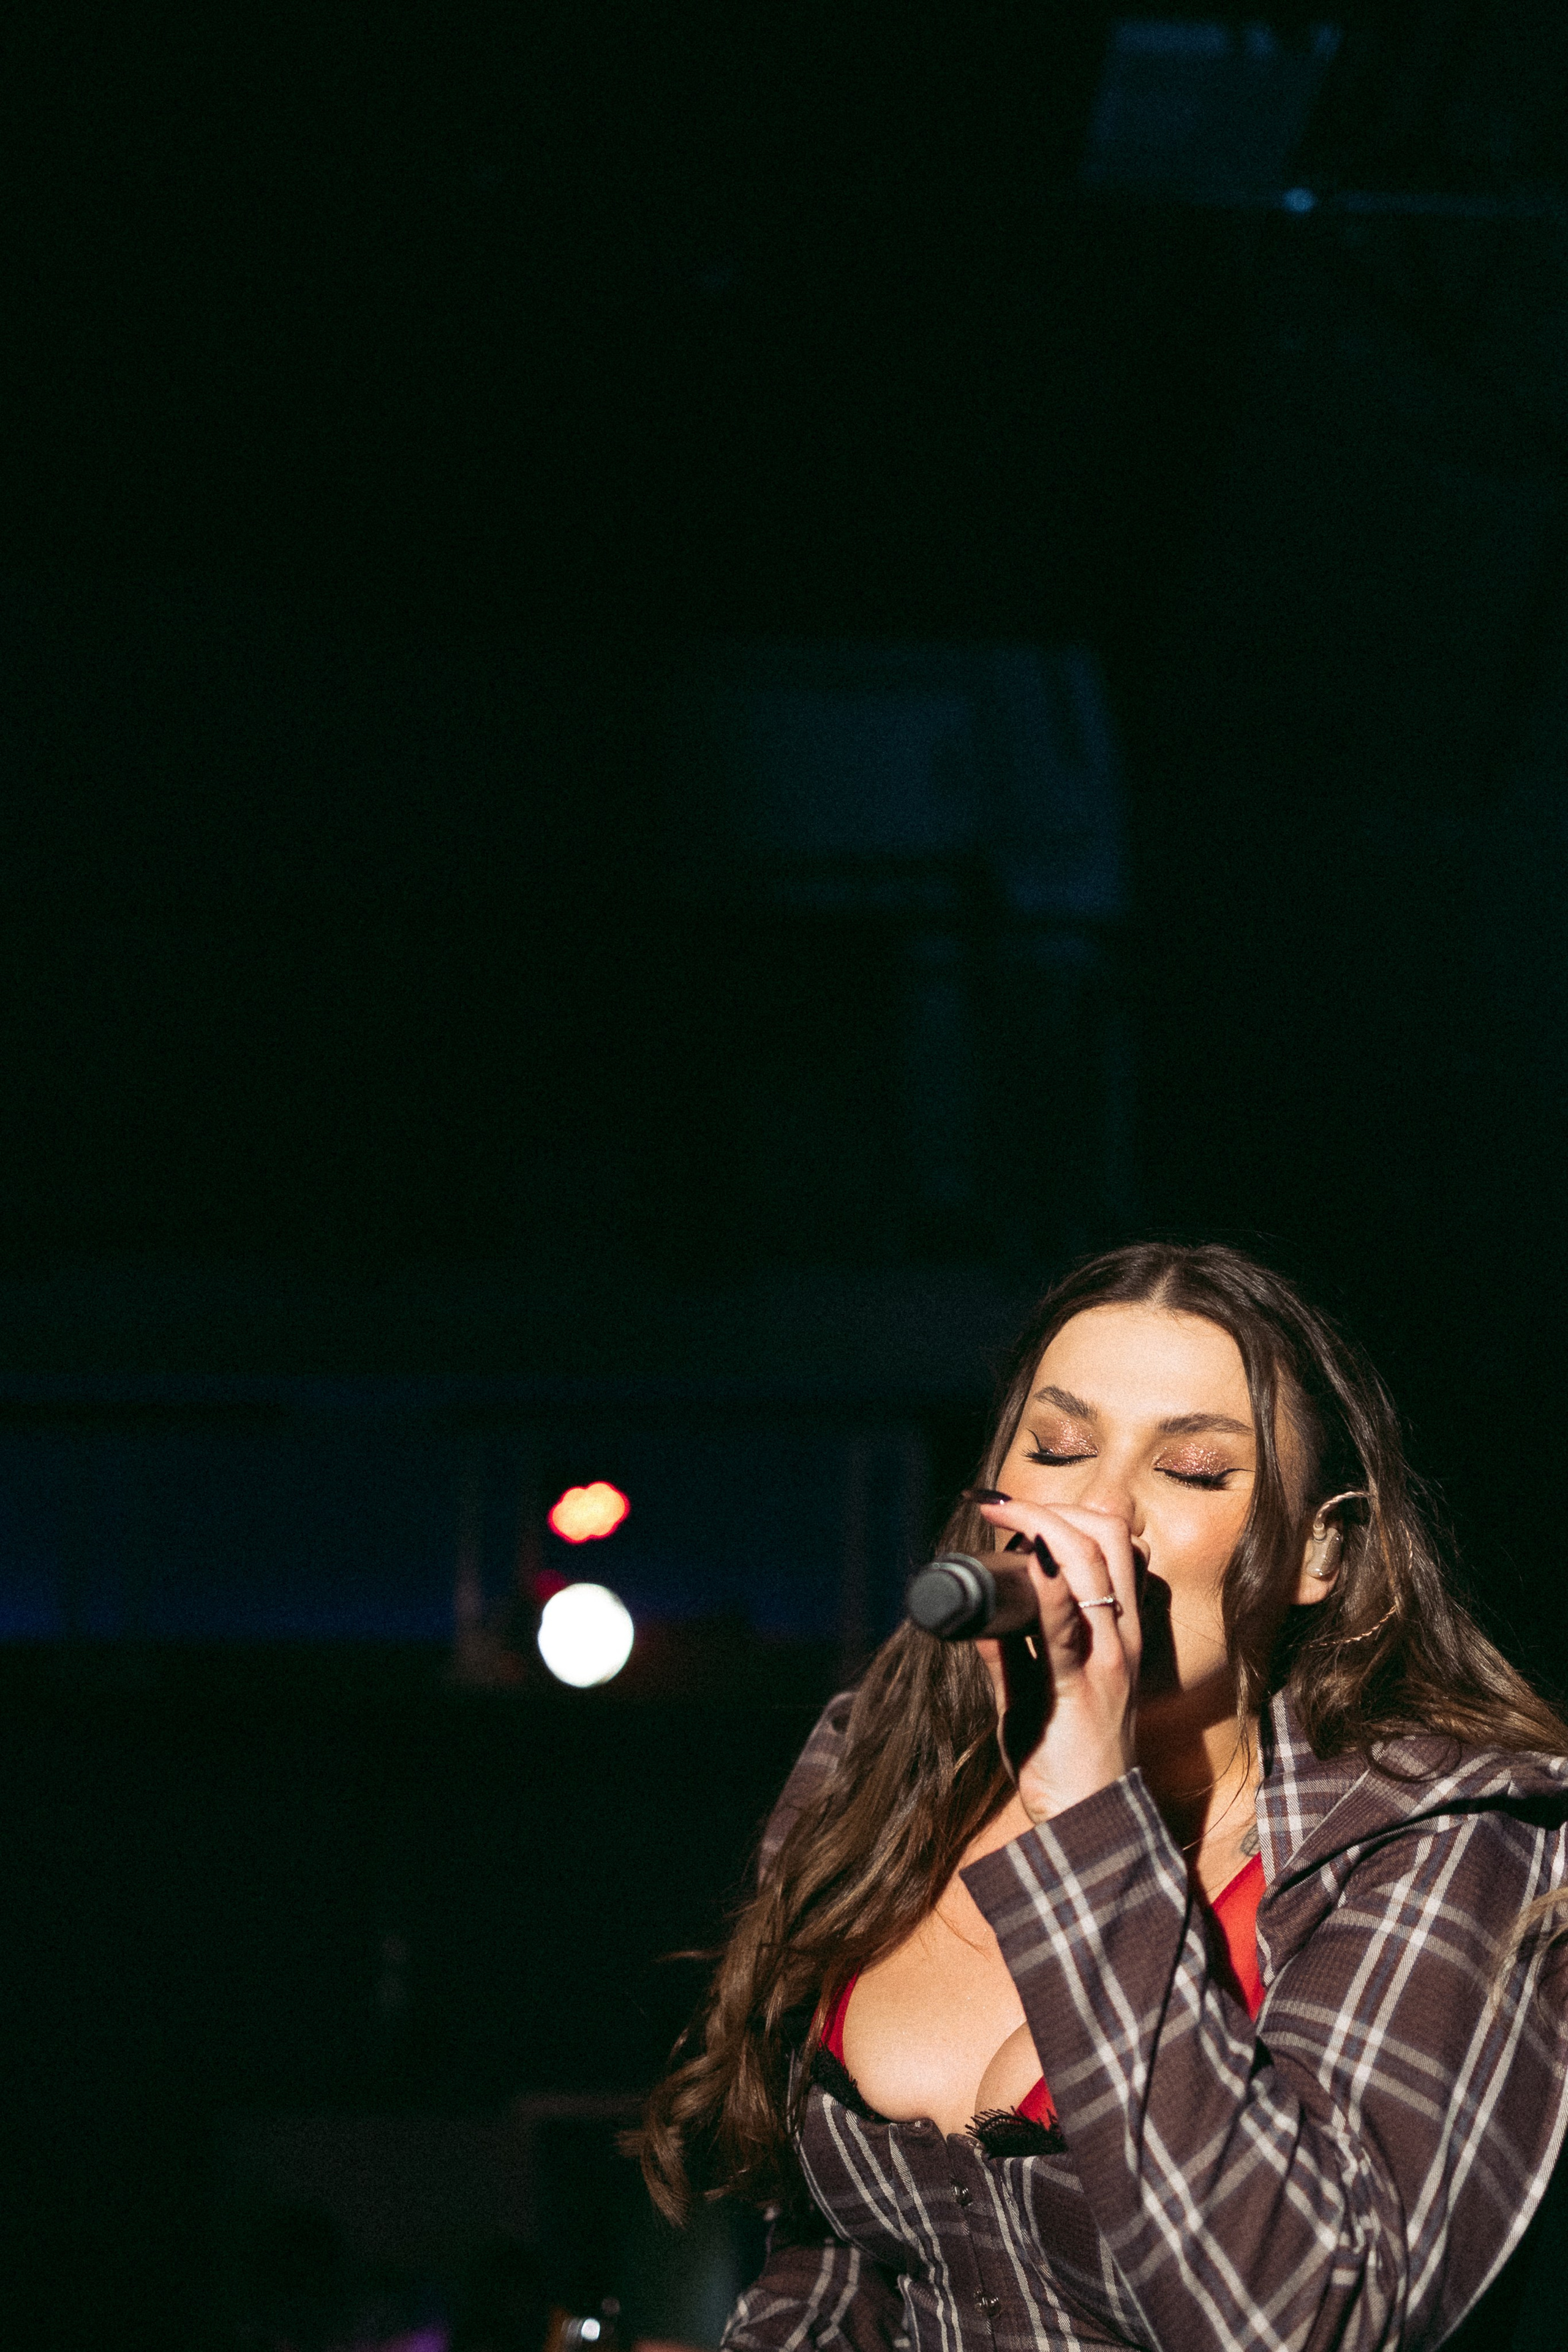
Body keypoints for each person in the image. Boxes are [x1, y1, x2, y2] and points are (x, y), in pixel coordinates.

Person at [631, 1243, 1568, 2351]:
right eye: (1059, 1448)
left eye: (1193, 1472)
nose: (1099, 1513)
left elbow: (1304, 2316)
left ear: (1324, 1549)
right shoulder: (877, 1765)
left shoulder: (1444, 1831)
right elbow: (835, 2251)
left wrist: (1090, 1806)